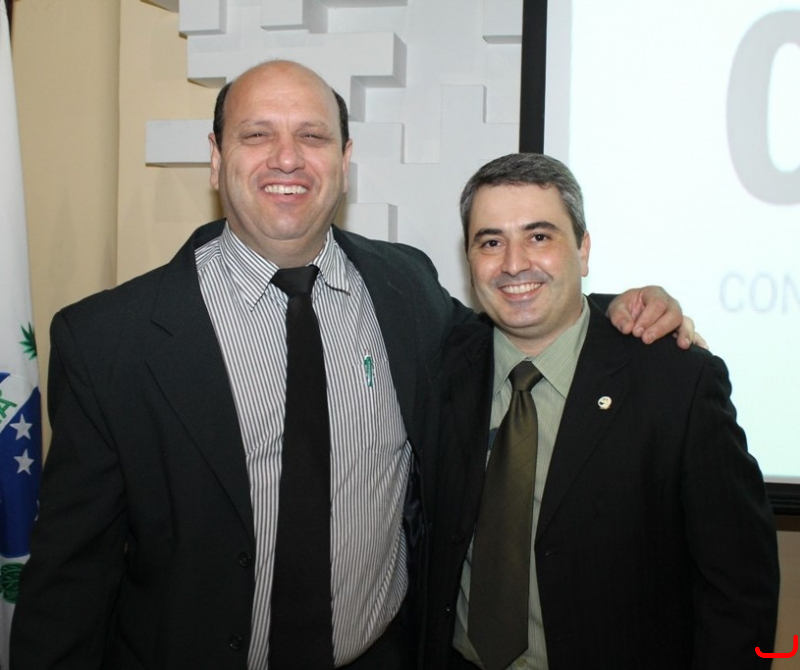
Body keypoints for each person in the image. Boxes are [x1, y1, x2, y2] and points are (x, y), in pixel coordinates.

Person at [11, 62, 691, 670]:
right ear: (215, 159)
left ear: (344, 160)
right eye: (257, 135)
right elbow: (70, 582)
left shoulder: (405, 287)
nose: (287, 157)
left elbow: (514, 324)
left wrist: (619, 312)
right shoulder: (108, 342)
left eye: (312, 136)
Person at [425, 153, 780, 670]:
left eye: (539, 236)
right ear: (469, 258)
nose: (514, 263)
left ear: (583, 249)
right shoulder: (441, 364)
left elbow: (741, 587)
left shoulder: (676, 383)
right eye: (491, 242)